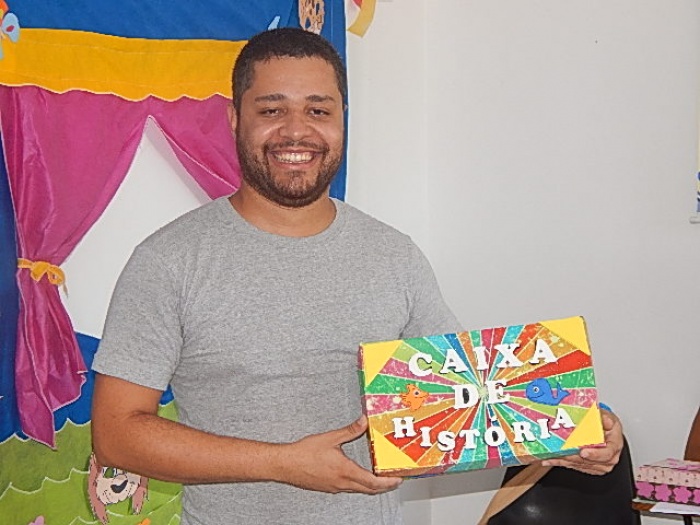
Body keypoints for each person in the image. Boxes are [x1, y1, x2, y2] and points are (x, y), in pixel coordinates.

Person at [91, 27, 624, 525]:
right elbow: (117, 436)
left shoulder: (394, 256)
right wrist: (282, 462)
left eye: (318, 110)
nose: (296, 130)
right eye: (272, 109)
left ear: (342, 118)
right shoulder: (169, 260)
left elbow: (463, 405)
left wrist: (572, 434)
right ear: (234, 119)